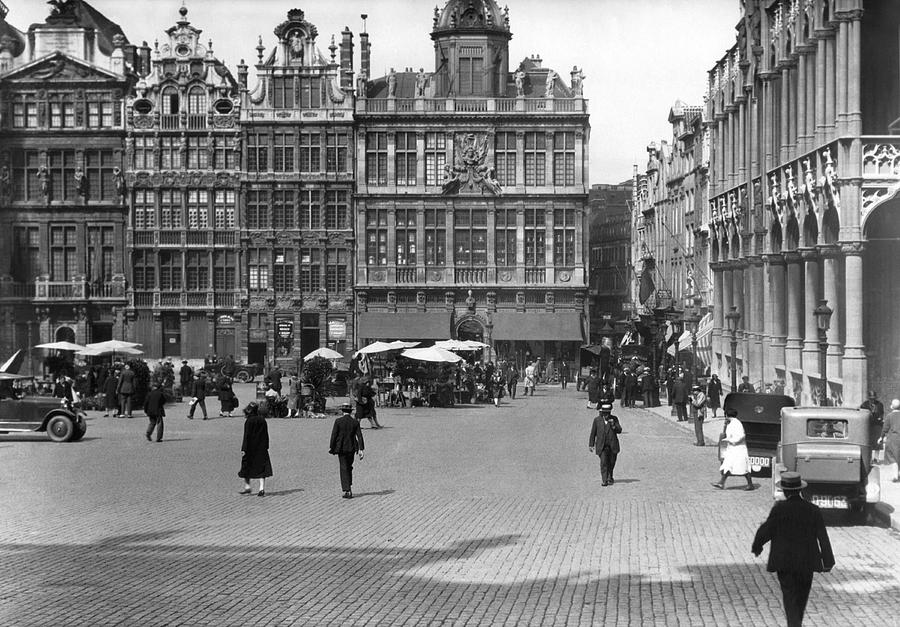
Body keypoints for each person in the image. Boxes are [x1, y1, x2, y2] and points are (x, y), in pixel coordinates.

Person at [752, 471, 834, 627]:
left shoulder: (780, 509)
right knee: (802, 597)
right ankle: (796, 623)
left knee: (789, 596)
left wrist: (757, 546)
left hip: (785, 562)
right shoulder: (813, 509)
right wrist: (828, 561)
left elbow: (767, 529)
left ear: (784, 491)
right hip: (806, 562)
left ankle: (793, 624)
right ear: (800, 489)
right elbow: (822, 536)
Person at [713, 408, 755, 490]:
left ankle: (750, 484)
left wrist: (733, 441)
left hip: (739, 449)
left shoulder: (737, 424)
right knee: (728, 465)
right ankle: (721, 483)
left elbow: (741, 436)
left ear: (727, 415)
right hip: (732, 449)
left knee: (743, 466)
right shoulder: (731, 423)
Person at [329, 401, 365, 499]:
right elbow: (359, 436)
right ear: (350, 411)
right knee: (349, 467)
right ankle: (348, 485)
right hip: (352, 447)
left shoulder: (338, 421)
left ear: (342, 411)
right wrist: (361, 449)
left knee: (343, 467)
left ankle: (347, 489)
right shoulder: (355, 422)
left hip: (341, 447)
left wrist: (332, 447)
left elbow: (334, 435)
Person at [238, 402, 272, 497]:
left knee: (246, 466)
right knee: (262, 468)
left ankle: (247, 486)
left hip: (250, 448)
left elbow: (246, 436)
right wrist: (266, 446)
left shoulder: (249, 421)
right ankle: (261, 488)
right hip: (261, 447)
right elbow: (266, 434)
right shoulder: (262, 420)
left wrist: (244, 449)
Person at [589, 403, 622, 487]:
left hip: (612, 445)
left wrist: (613, 425)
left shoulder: (614, 419)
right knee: (603, 462)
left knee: (611, 462)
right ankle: (604, 480)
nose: (606, 415)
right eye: (604, 413)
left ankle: (610, 476)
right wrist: (591, 444)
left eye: (608, 413)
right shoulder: (597, 420)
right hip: (602, 446)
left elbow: (619, 430)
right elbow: (593, 433)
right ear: (602, 413)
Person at [879, 399, 900, 482]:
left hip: (892, 439)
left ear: (892, 407)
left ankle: (895, 476)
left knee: (893, 457)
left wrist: (881, 437)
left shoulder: (889, 416)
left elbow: (885, 428)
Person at [860, 390, 885, 456]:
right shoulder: (864, 404)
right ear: (868, 398)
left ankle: (876, 458)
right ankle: (869, 457)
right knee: (868, 442)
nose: (872, 400)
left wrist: (879, 417)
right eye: (871, 399)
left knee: (877, 442)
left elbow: (881, 414)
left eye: (874, 399)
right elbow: (861, 414)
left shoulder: (879, 404)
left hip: (877, 425)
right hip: (868, 425)